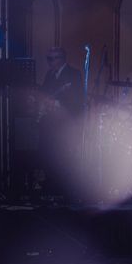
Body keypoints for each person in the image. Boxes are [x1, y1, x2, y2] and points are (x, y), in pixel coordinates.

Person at [38, 46, 83, 198]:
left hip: (66, 123)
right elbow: (44, 94)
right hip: (50, 123)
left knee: (64, 157)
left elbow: (78, 101)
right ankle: (51, 188)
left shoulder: (74, 74)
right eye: (47, 59)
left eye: (52, 58)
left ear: (61, 59)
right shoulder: (50, 74)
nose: (49, 62)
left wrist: (57, 104)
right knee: (49, 155)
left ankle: (64, 191)